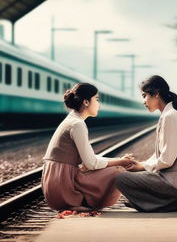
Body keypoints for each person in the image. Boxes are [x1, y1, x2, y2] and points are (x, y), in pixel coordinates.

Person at [115, 75, 177, 212]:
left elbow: (166, 160)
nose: (143, 101)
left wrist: (143, 167)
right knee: (133, 176)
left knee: (121, 179)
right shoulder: (170, 114)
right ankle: (169, 203)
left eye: (145, 96)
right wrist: (141, 165)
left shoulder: (170, 117)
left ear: (156, 94)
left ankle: (167, 205)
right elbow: (163, 153)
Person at [41, 82, 133, 212]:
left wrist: (119, 159)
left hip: (55, 186)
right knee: (117, 171)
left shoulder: (71, 120)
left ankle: (82, 201)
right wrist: (121, 162)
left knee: (113, 166)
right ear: (86, 102)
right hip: (64, 189)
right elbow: (91, 163)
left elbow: (89, 160)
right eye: (96, 99)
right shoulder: (77, 124)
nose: (99, 104)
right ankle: (80, 200)